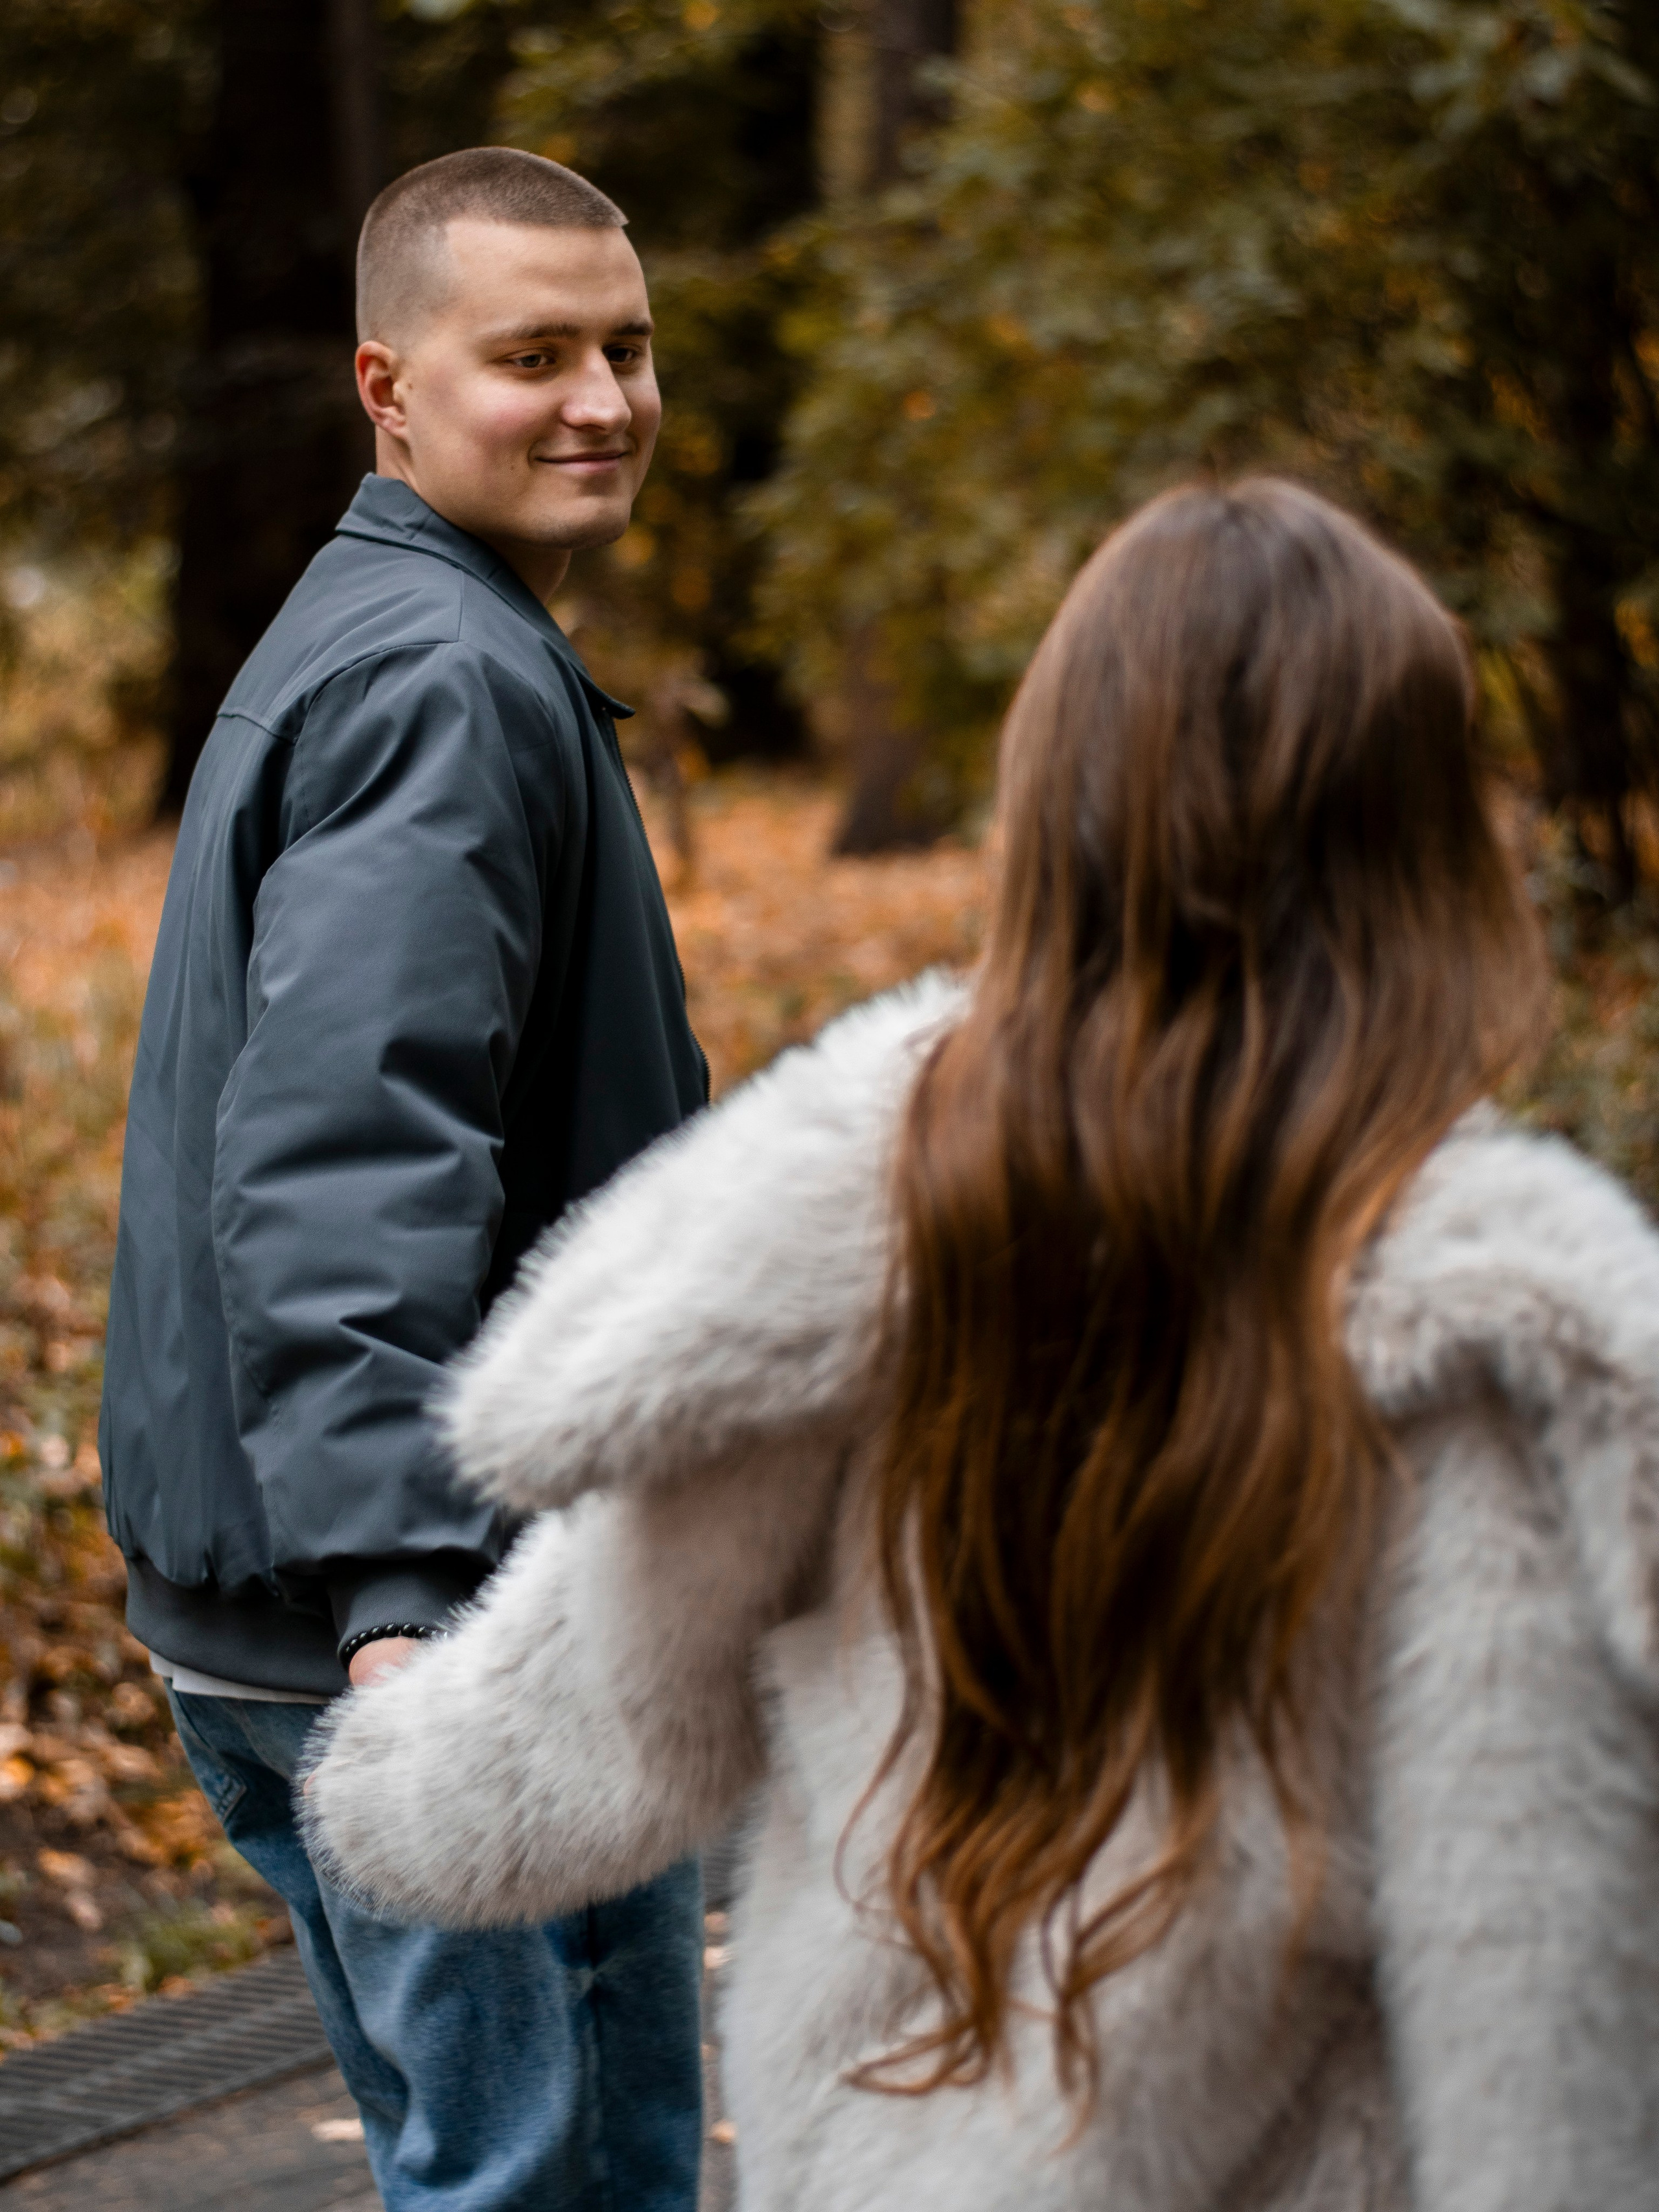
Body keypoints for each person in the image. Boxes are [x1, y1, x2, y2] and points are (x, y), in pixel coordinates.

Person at [304, 480, 1659, 2208]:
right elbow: (1533, 2021)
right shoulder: (1479, 1330)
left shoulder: (871, 1222)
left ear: (1058, 807)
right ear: (1431, 838)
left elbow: (592, 1730)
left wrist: (373, 1735)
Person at [99, 148, 707, 2211]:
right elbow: (350, 1147)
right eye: (531, 355)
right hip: (422, 1623)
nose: (603, 401)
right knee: (557, 2185)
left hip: (317, 1595)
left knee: (482, 2171)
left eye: (626, 347)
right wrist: (399, 1610)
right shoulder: (442, 677)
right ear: (391, 385)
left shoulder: (397, 631)